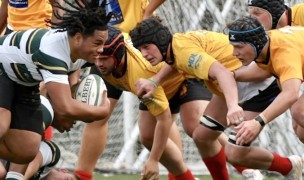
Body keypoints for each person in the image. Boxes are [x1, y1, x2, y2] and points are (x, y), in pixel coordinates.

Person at [128, 16, 302, 179]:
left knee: (235, 154)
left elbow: (223, 73)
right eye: (140, 49)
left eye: (146, 47)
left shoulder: (183, 51)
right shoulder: (176, 47)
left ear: (159, 39)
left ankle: (289, 166)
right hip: (233, 82)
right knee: (202, 137)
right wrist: (155, 80)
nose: (144, 54)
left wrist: (234, 107)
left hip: (255, 85)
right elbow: (177, 63)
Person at [0, 0, 110, 167]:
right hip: (2, 67)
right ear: (78, 37)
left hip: (24, 82)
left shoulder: (82, 50)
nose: (101, 49)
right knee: (2, 122)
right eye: (97, 43)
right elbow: (64, 107)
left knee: (26, 148)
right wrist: (101, 111)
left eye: (103, 43)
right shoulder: (54, 51)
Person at [74, 1, 170, 179]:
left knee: (157, 121)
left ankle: (178, 174)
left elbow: (164, 117)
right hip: (106, 45)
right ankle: (82, 175)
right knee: (97, 114)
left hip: (140, 46)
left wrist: (148, 11)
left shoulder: (145, 63)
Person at [92, 26, 196, 180]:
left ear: (119, 53)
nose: (99, 63)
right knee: (147, 136)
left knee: (201, 132)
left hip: (183, 77)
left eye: (104, 58)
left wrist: (153, 161)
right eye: (97, 57)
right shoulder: (99, 53)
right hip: (158, 87)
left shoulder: (140, 74)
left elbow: (164, 118)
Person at [225, 16, 304, 179]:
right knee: (299, 129)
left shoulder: (282, 51)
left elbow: (290, 94)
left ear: (254, 42)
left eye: (239, 47)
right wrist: (227, 75)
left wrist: (258, 122)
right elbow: (265, 70)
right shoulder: (264, 46)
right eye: (233, 47)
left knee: (299, 112)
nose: (234, 53)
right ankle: (289, 167)